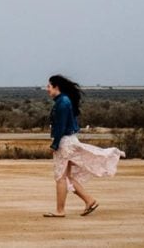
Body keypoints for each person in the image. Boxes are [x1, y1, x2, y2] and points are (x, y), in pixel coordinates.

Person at [43, 74, 125, 218]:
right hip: (69, 140)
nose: (47, 89)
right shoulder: (65, 101)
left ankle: (60, 211)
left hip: (64, 142)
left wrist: (54, 144)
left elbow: (61, 126)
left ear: (56, 87)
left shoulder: (62, 103)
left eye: (49, 86)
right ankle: (89, 200)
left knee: (60, 177)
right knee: (67, 176)